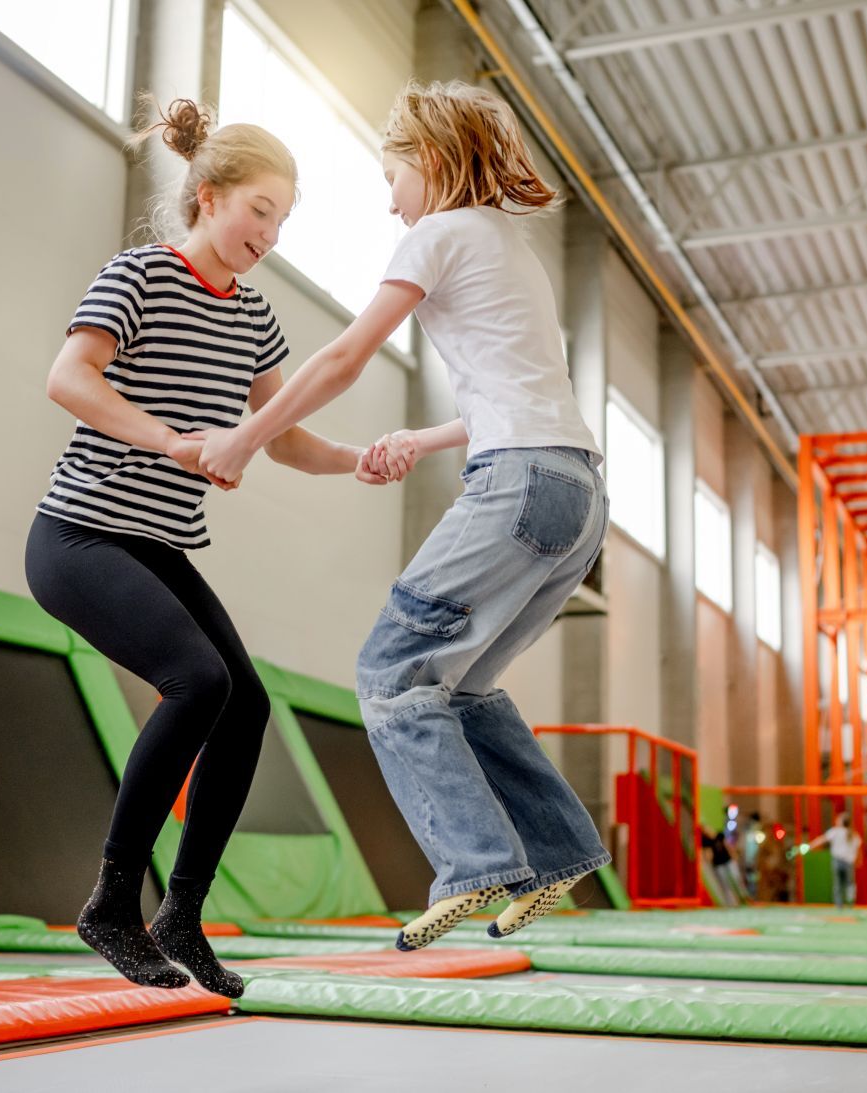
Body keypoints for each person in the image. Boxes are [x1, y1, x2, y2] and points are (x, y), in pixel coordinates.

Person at [195, 80, 611, 951]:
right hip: (576, 495)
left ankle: (474, 865)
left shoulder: (438, 233)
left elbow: (347, 354)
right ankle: (561, 849)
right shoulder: (510, 248)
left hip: (516, 484)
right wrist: (418, 441)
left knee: (390, 670)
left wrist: (245, 436)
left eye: (393, 178)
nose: (390, 201)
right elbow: (519, 396)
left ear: (429, 159)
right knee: (462, 685)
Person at [25, 99, 390, 997]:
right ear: (209, 195)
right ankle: (113, 901)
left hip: (158, 545)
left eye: (283, 219)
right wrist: (173, 441)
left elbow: (283, 436)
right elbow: (67, 378)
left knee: (247, 703)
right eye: (259, 209)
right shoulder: (139, 273)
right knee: (201, 680)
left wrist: (357, 460)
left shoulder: (256, 318)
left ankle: (180, 913)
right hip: (78, 534)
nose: (268, 233)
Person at [808, 811, 862, 909]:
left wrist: (810, 846)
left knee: (838, 883)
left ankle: (839, 905)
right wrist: (858, 860)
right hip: (849, 862)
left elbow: (822, 839)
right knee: (849, 883)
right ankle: (850, 904)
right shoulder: (854, 834)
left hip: (837, 861)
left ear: (841, 821)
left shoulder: (835, 831)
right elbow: (858, 849)